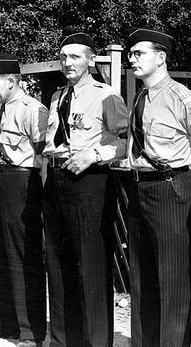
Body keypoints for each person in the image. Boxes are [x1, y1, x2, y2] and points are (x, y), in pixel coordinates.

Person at [124, 28, 191, 347]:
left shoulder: (182, 98)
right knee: (142, 277)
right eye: (131, 53)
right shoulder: (140, 97)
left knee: (173, 281)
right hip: (140, 188)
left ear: (160, 57)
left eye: (139, 53)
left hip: (170, 188)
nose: (132, 59)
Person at [42, 32, 128, 346]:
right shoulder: (57, 96)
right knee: (58, 261)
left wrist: (94, 154)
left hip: (89, 181)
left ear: (91, 60)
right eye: (63, 57)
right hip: (57, 178)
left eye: (76, 56)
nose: (68, 62)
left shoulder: (107, 96)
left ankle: (95, 341)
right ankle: (63, 340)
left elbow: (127, 141)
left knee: (90, 264)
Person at [0, 54, 48, 347]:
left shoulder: (32, 109)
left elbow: (42, 155)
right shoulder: (2, 109)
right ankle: (1, 322)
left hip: (21, 182)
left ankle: (29, 331)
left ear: (12, 81)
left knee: (21, 256)